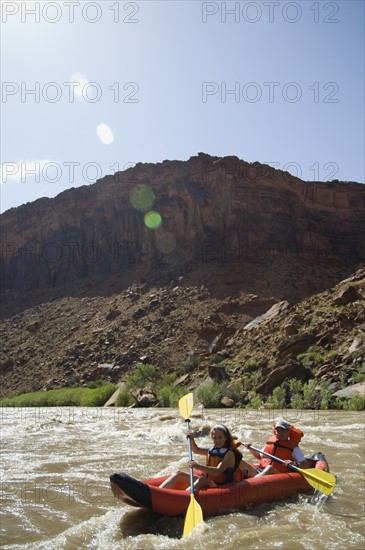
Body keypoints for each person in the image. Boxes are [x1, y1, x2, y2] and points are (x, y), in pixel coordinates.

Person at [159, 424, 243, 490]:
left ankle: (183, 497)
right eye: (214, 437)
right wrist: (191, 439)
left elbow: (217, 471)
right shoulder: (213, 450)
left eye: (220, 437)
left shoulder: (229, 454)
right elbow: (196, 450)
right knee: (178, 474)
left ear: (226, 438)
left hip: (221, 486)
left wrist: (198, 466)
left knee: (202, 480)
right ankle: (159, 492)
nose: (217, 440)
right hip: (210, 482)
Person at [239, 419, 310, 478]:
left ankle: (252, 482)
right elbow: (259, 456)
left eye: (283, 430)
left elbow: (305, 464)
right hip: (261, 471)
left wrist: (294, 464)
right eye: (278, 431)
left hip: (276, 475)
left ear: (288, 432)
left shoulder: (294, 448)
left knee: (269, 468)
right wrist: (250, 449)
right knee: (239, 461)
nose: (280, 433)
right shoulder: (271, 442)